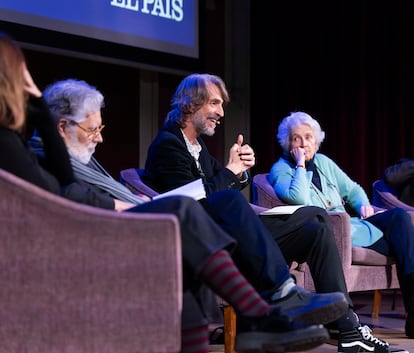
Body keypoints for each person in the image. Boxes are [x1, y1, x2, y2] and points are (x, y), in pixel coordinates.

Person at [0, 33, 346, 353]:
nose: (101, 137)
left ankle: (284, 310)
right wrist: (122, 205)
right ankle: (266, 309)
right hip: (95, 233)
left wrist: (234, 175)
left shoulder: (35, 146)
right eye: (94, 129)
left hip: (111, 223)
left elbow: (62, 186)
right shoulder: (16, 145)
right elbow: (62, 197)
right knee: (191, 210)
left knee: (310, 221)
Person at [141, 73, 408, 353]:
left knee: (317, 224)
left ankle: (348, 328)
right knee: (275, 208)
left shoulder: (197, 146)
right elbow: (192, 201)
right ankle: (282, 297)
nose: (221, 113)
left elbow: (217, 182)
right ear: (189, 104)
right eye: (215, 103)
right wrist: (231, 173)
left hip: (230, 232)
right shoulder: (168, 144)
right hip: (208, 240)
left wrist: (238, 171)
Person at [269, 110, 414, 344]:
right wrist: (300, 165)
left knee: (399, 218)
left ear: (317, 141)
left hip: (355, 225)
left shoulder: (325, 162)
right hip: (334, 231)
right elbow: (298, 198)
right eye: (297, 138)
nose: (304, 143)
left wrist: (364, 204)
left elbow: (353, 189)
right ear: (288, 143)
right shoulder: (281, 169)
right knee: (404, 244)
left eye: (309, 137)